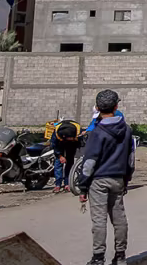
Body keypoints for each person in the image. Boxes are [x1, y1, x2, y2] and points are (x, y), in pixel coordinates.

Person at [77, 89, 135, 265]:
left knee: (99, 220)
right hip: (118, 179)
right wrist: (126, 179)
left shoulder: (97, 132)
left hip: (98, 181)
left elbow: (89, 163)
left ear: (97, 108)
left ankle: (98, 257)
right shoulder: (126, 130)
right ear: (116, 106)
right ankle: (120, 256)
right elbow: (131, 159)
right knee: (119, 218)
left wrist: (83, 187)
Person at [51, 117, 81, 194]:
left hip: (72, 145)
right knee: (58, 163)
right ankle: (58, 184)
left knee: (70, 163)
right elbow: (54, 145)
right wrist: (60, 156)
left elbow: (81, 144)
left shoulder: (77, 132)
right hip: (60, 144)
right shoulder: (57, 134)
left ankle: (67, 183)